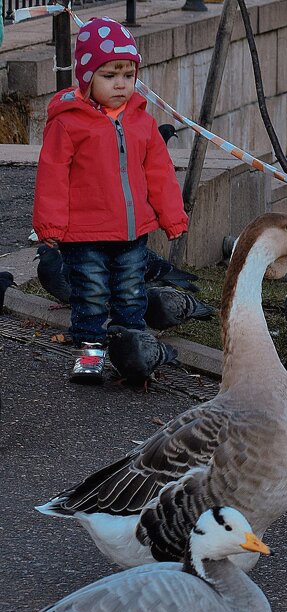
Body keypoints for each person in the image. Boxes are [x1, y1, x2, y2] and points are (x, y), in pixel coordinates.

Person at [32, 17, 188, 384]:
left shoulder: (142, 123)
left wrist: (172, 216)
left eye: (128, 74)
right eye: (109, 75)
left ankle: (130, 350)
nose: (121, 84)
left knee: (131, 293)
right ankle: (90, 353)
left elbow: (159, 173)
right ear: (87, 78)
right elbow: (52, 176)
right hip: (84, 234)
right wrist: (51, 226)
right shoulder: (69, 123)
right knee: (90, 293)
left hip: (133, 234)